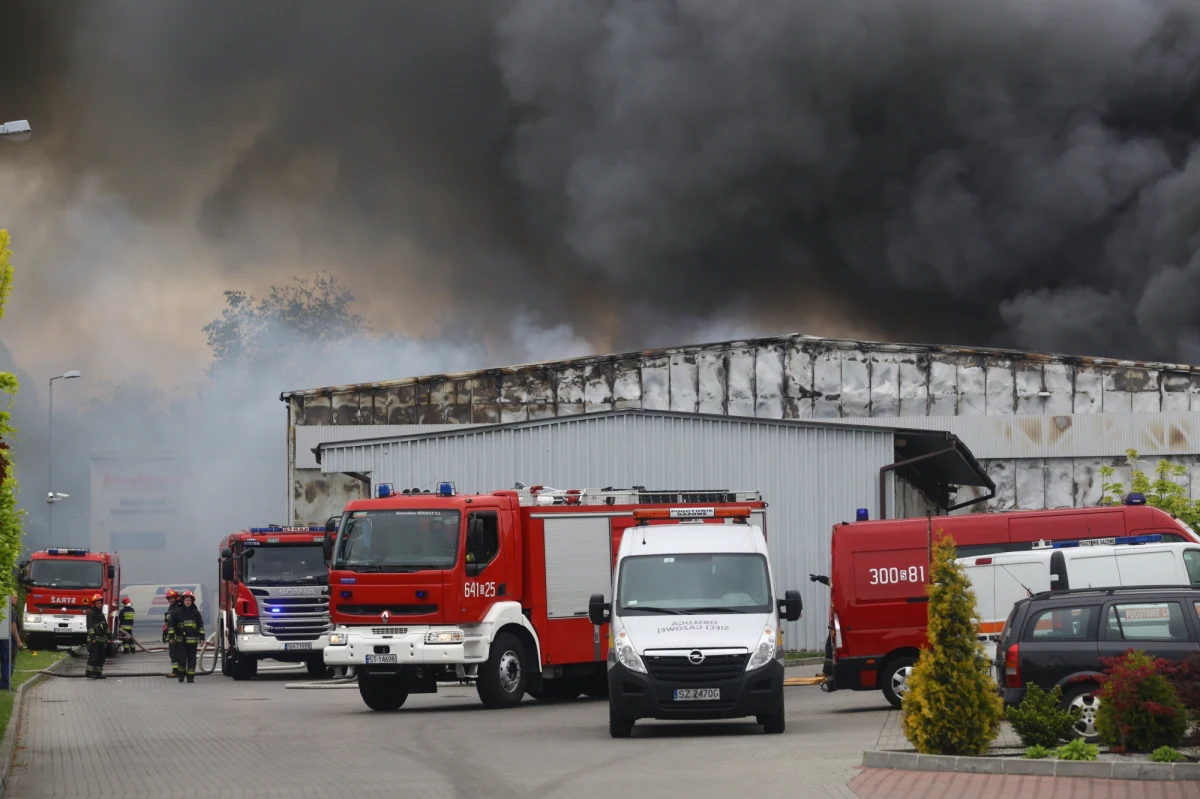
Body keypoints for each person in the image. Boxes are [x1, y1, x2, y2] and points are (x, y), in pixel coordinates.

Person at [168, 590, 203, 684]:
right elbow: (172, 625)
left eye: (189, 600)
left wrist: (202, 638)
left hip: (193, 641)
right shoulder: (177, 612)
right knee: (181, 658)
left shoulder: (196, 612)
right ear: (183, 601)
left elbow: (200, 626)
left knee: (192, 659)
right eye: (186, 600)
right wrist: (171, 637)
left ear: (192, 602)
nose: (188, 602)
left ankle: (190, 677)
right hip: (180, 641)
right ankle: (181, 675)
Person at [85, 594, 107, 680]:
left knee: (101, 658)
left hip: (101, 639)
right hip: (93, 640)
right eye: (98, 603)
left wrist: (109, 636)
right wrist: (93, 638)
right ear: (94, 604)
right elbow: (90, 627)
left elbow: (105, 626)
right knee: (94, 657)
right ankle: (89, 673)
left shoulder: (101, 614)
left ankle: (98, 673)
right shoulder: (91, 614)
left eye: (101, 603)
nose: (100, 605)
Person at [162, 589, 180, 678]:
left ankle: (176, 671)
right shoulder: (171, 607)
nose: (170, 600)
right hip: (171, 634)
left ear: (176, 597)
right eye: (169, 599)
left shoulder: (178, 607)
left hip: (176, 634)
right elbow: (168, 621)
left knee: (176, 653)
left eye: (172, 598)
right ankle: (176, 671)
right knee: (173, 653)